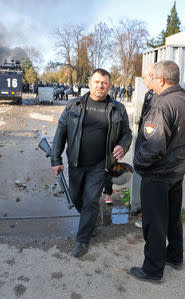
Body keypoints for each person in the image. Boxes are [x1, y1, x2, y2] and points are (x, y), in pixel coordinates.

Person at [51, 69, 132, 258]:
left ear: (109, 86)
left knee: (90, 200)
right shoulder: (74, 105)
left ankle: (83, 239)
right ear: (90, 83)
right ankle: (91, 220)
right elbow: (60, 133)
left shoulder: (117, 108)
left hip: (100, 164)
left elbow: (127, 133)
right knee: (76, 197)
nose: (100, 86)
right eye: (97, 82)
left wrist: (123, 145)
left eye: (104, 83)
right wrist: (56, 159)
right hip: (76, 162)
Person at [130, 61, 185, 284]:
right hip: (176, 171)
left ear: (162, 80)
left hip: (158, 175)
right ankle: (175, 257)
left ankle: (153, 269)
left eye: (152, 77)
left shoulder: (162, 104)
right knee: (173, 218)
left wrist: (138, 164)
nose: (150, 81)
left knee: (155, 223)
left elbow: (153, 146)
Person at [134, 64, 157, 229]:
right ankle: (147, 219)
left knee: (152, 194)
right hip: (144, 149)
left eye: (145, 77)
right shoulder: (150, 94)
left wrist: (144, 160)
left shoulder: (161, 99)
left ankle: (149, 222)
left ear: (154, 76)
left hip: (153, 159)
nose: (143, 80)